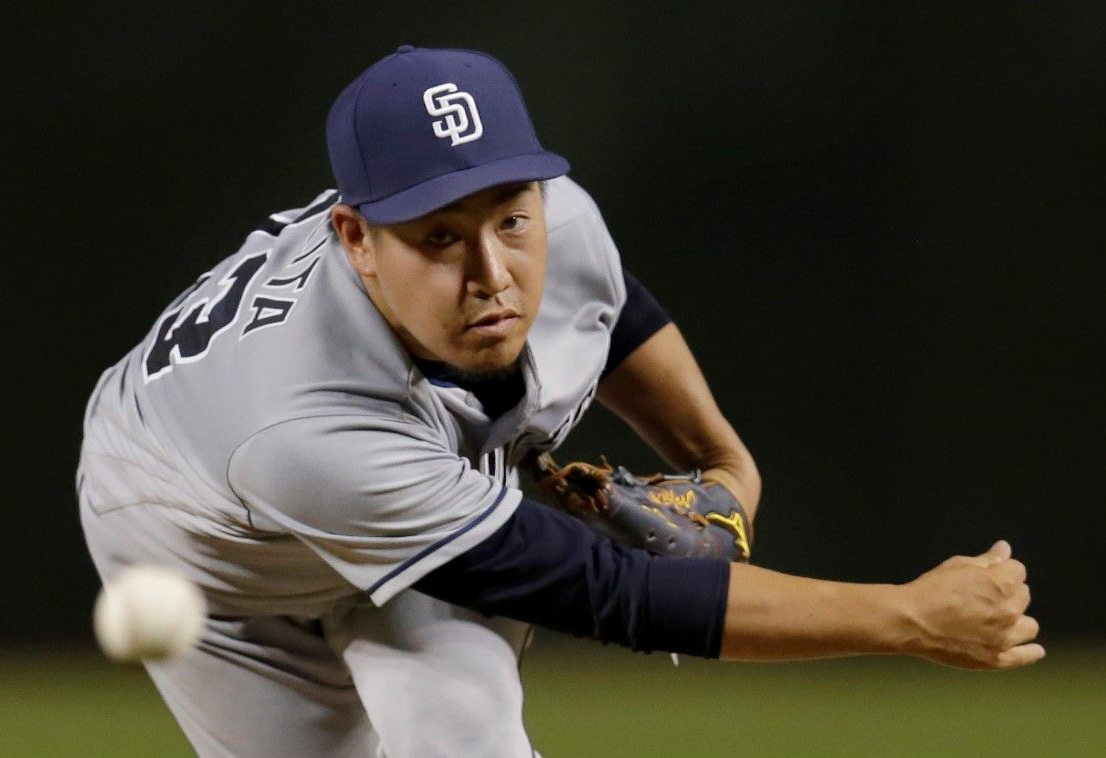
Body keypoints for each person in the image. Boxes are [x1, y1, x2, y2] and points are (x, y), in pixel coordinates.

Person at [78, 46, 1042, 757]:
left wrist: (726, 465)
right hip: (199, 542)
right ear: (355, 236)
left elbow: (608, 311)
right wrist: (905, 616)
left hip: (400, 471)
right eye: (439, 237)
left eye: (510, 218)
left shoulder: (553, 216)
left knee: (465, 734)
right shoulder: (304, 428)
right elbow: (604, 590)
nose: (493, 271)